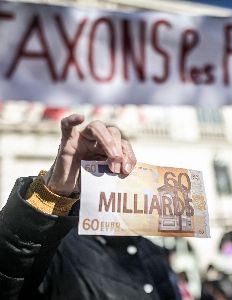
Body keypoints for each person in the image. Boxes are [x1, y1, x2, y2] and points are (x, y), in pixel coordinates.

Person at [0, 114, 181, 300]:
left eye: (123, 166)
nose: (115, 175)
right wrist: (52, 194)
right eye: (102, 169)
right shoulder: (57, 247)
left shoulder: (152, 251)